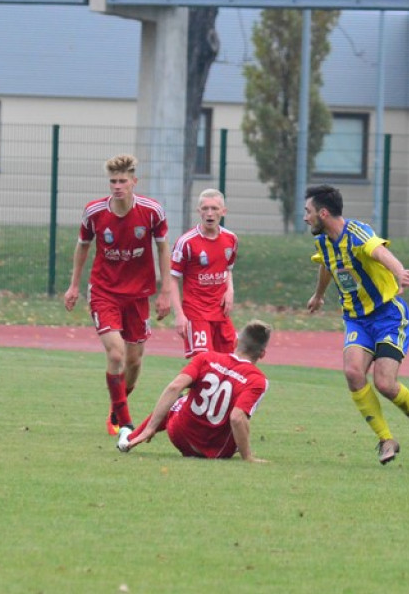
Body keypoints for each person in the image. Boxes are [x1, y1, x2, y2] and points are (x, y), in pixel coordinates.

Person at [303, 184, 409, 466]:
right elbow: (327, 266)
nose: (305, 217)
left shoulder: (357, 233)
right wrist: (318, 295)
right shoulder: (323, 242)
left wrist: (399, 271)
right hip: (357, 319)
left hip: (388, 315)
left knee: (385, 383)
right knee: (353, 373)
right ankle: (385, 439)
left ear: (323, 213)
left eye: (308, 212)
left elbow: (379, 252)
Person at [64, 154, 172, 437]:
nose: (117, 186)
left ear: (134, 182)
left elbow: (163, 249)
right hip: (104, 291)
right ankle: (125, 424)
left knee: (134, 361)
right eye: (113, 181)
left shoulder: (152, 211)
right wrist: (74, 285)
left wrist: (166, 292)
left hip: (138, 295)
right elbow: (83, 248)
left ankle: (117, 404)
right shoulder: (94, 212)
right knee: (116, 352)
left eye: (123, 181)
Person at [117, 320, 272, 463]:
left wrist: (150, 428)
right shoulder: (258, 380)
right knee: (240, 412)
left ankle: (131, 438)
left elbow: (174, 387)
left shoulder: (206, 358)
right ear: (262, 354)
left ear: (236, 342)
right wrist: (248, 457)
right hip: (218, 450)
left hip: (180, 436)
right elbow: (237, 418)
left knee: (179, 398)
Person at [168, 188, 239, 358]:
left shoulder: (231, 239)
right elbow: (172, 279)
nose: (210, 213)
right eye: (205, 208)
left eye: (214, 208)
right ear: (198, 211)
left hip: (221, 313)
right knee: (204, 362)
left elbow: (227, 269)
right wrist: (179, 315)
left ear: (223, 211)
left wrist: (230, 290)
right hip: (196, 312)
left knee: (228, 362)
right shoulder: (186, 242)